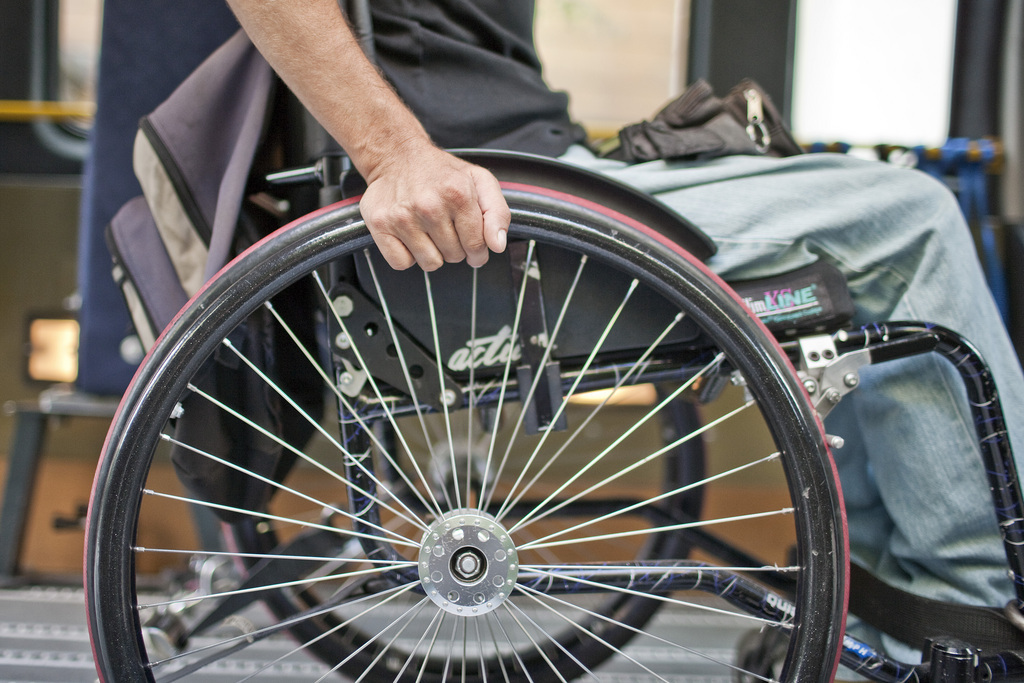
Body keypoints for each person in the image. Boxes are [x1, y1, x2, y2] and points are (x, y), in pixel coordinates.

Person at [226, 0, 1024, 660]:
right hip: (499, 205)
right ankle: (983, 613)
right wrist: (395, 155)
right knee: (908, 221)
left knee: (859, 220)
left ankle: (903, 614)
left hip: (532, 171)